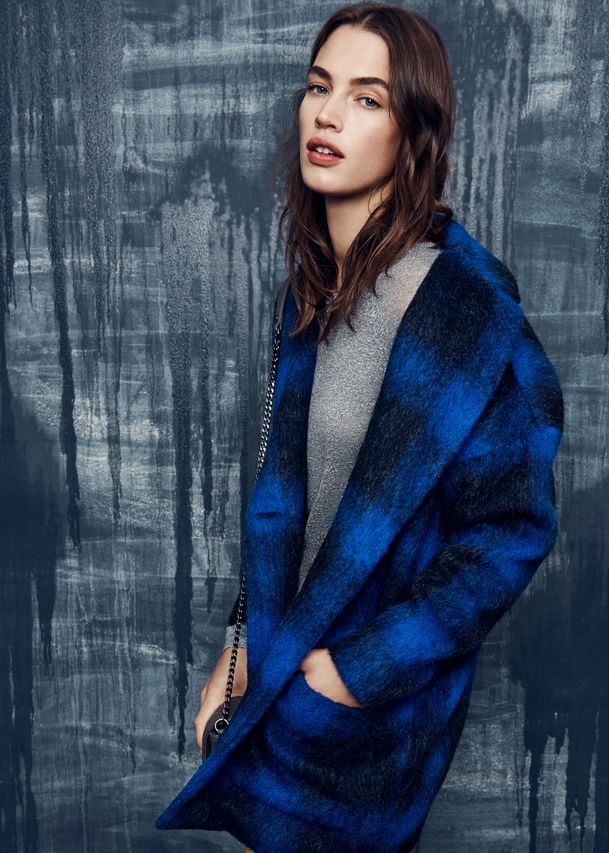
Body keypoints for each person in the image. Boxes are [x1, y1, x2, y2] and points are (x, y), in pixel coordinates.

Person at [155, 4, 564, 852]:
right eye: (320, 87)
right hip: (274, 680)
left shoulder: (468, 316)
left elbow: (510, 530)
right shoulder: (311, 295)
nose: (329, 115)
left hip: (363, 718)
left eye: (368, 98)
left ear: (414, 132)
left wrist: (357, 670)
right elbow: (287, 506)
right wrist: (237, 651)